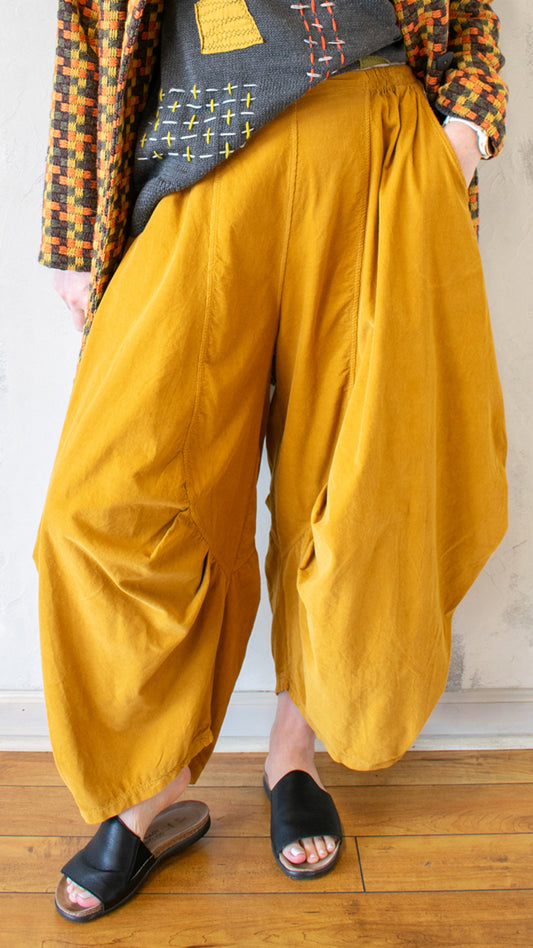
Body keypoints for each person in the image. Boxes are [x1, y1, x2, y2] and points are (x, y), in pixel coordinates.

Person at [35, 0, 508, 923]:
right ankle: (150, 786)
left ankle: (295, 752)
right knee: (104, 503)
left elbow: (472, 12)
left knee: (363, 485)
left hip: (380, 150)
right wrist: (71, 231)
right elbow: (89, 26)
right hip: (200, 161)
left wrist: (462, 133)